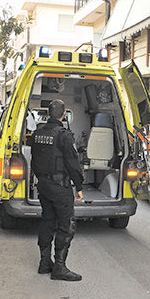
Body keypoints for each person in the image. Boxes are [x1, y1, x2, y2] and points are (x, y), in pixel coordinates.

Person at [31, 99, 85, 281]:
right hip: (60, 187)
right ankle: (59, 267)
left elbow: (34, 160)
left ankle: (44, 262)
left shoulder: (37, 133)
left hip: (44, 185)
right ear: (63, 115)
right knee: (66, 225)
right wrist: (79, 187)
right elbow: (73, 164)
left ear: (48, 114)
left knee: (47, 220)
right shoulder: (64, 135)